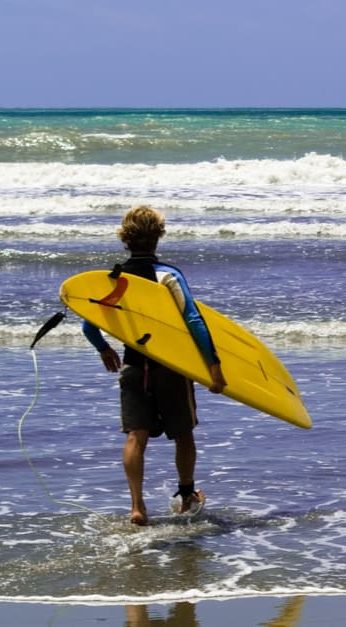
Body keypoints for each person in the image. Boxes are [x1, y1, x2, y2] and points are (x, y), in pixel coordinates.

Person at [81, 205, 226, 526]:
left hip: (134, 365)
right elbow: (193, 319)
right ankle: (187, 496)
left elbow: (89, 325)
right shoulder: (167, 276)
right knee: (184, 434)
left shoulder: (114, 280)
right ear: (159, 235)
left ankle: (137, 506)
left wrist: (103, 348)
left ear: (125, 238)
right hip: (170, 367)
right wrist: (213, 364)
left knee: (136, 437)